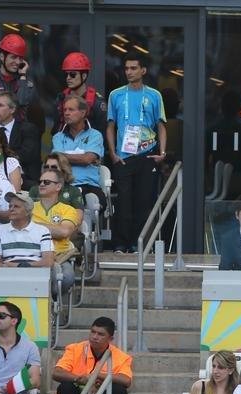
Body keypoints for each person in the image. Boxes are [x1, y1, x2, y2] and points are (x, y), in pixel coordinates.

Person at [105, 55, 166, 253]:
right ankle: (120, 244)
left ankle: (137, 244)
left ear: (143, 70)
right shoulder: (116, 94)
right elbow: (110, 126)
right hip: (124, 156)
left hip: (147, 155)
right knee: (123, 202)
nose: (129, 72)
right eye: (127, 68)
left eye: (133, 68)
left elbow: (161, 125)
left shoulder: (154, 95)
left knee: (143, 202)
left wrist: (162, 152)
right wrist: (113, 153)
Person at [54, 316, 132, 394]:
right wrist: (81, 380)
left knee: (119, 390)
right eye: (93, 332)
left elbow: (126, 380)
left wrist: (95, 376)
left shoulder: (121, 356)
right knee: (65, 387)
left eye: (100, 334)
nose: (94, 337)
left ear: (110, 339)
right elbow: (56, 373)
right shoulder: (75, 349)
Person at [52, 97, 106, 206]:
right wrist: (81, 157)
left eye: (71, 110)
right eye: (65, 110)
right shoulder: (58, 137)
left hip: (89, 186)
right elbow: (56, 160)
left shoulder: (95, 135)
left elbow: (87, 159)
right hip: (63, 185)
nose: (66, 113)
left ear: (83, 113)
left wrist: (63, 156)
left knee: (94, 202)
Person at [0, 34, 36, 125]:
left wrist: (22, 76)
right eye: (13, 57)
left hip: (18, 133)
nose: (17, 62)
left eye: (20, 58)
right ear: (2, 57)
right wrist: (13, 109)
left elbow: (22, 103)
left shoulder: (26, 82)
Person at [0, 190, 53, 268]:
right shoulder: (0, 230)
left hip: (35, 274)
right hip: (8, 274)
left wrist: (20, 266)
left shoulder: (42, 231)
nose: (11, 209)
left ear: (27, 212)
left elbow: (48, 262)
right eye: (10, 206)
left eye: (16, 206)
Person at [54, 51, 108, 133]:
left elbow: (103, 132)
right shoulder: (61, 98)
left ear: (84, 76)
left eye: (72, 74)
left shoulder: (96, 102)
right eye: (66, 74)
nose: (68, 78)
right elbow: (56, 128)